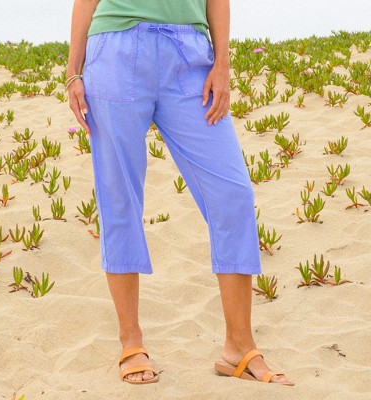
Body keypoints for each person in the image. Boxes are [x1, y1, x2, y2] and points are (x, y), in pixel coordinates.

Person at [66, 0, 294, 386]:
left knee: (233, 193)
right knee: (119, 196)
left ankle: (238, 346)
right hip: (115, 51)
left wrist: (222, 62)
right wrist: (73, 71)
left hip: (191, 54)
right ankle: (131, 342)